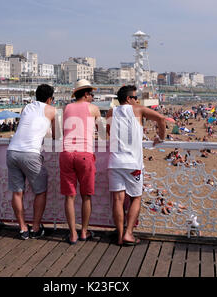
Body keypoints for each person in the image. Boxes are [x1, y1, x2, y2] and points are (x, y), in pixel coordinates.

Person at [106, 85, 166, 246]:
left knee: (118, 200)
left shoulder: (111, 112)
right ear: (128, 99)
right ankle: (128, 233)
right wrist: (160, 138)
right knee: (136, 198)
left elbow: (108, 132)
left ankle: (119, 236)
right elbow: (161, 119)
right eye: (135, 97)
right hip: (133, 163)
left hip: (114, 162)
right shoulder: (138, 110)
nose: (137, 100)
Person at [6, 84, 56, 240]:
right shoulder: (52, 110)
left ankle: (22, 228)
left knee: (17, 192)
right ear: (50, 99)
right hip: (31, 153)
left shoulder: (26, 107)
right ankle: (35, 227)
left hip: (12, 151)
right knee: (40, 191)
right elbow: (56, 136)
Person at [60, 79, 101, 244]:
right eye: (92, 94)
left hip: (66, 153)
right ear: (86, 93)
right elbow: (104, 134)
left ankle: (72, 234)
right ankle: (84, 231)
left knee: (69, 197)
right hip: (84, 154)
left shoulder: (66, 108)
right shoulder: (93, 108)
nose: (92, 97)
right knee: (86, 196)